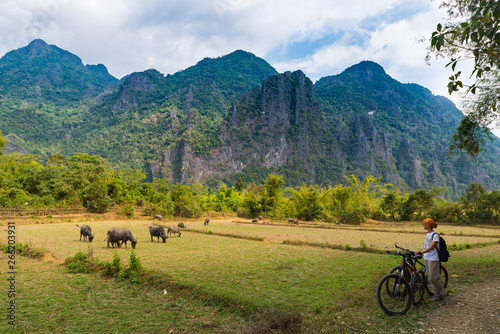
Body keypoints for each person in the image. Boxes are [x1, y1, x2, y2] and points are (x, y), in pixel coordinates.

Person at [417, 218, 448, 302]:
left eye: (424, 223)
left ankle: (443, 292)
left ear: (429, 225)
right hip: (427, 258)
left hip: (433, 258)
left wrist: (421, 252)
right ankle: (436, 294)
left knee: (433, 277)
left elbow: (431, 247)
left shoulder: (435, 235)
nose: (423, 225)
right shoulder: (427, 234)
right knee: (430, 278)